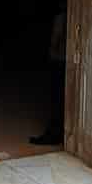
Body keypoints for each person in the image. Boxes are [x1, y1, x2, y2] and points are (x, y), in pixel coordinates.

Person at [28, 9, 66, 147]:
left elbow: (56, 38)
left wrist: (52, 53)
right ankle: (60, 133)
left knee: (57, 99)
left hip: (60, 60)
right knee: (62, 99)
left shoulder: (62, 16)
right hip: (66, 60)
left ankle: (54, 134)